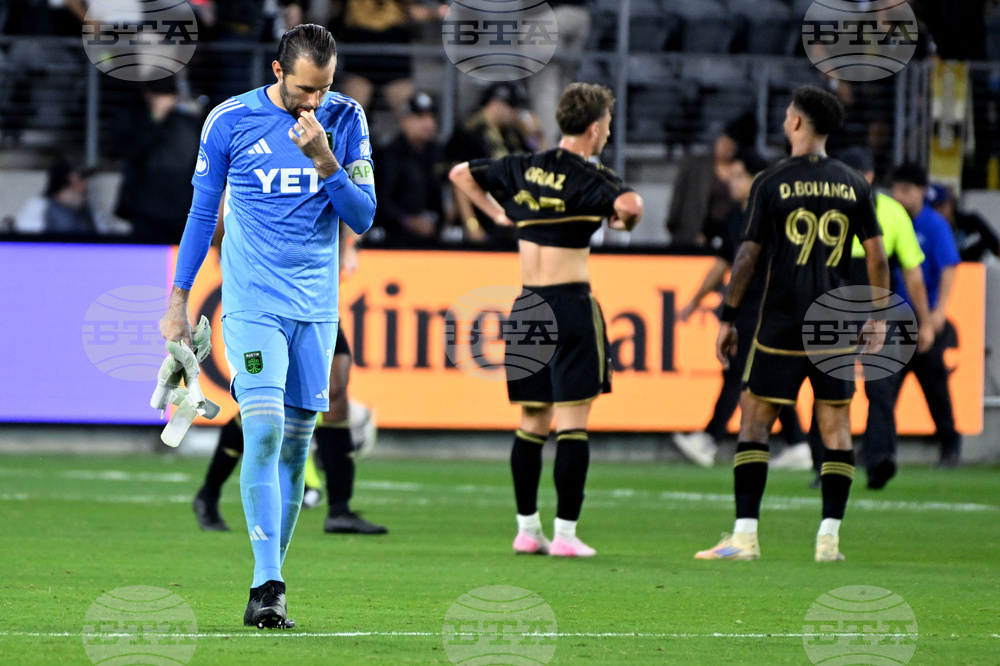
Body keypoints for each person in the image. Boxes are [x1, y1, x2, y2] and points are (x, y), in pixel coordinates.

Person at [159, 24, 375, 629]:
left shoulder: (346, 118)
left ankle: (266, 588)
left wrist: (325, 159)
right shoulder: (229, 121)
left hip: (316, 308)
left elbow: (361, 215)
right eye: (306, 89)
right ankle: (269, 583)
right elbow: (203, 213)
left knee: (298, 444)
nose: (315, 102)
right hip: (253, 306)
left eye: (324, 89)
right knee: (263, 431)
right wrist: (178, 301)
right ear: (279, 73)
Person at [694, 86, 889, 563]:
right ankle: (829, 540)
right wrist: (879, 315)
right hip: (835, 320)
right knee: (836, 426)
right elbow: (878, 256)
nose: (784, 122)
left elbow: (746, 257)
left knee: (754, 421)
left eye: (787, 115)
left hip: (781, 319)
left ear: (799, 123)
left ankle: (744, 537)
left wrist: (728, 315)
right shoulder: (855, 184)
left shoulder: (771, 182)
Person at [450, 82, 644, 558]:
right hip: (571, 304)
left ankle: (526, 529)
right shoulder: (588, 174)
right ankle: (565, 536)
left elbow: (459, 175)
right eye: (608, 128)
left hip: (527, 305)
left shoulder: (523, 166)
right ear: (596, 128)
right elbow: (630, 206)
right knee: (572, 423)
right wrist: (622, 223)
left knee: (531, 421)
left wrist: (499, 213)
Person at [193, 224, 387, 535]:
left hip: (315, 298)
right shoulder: (254, 179)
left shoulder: (329, 174)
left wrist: (350, 242)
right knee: (264, 404)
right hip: (267, 300)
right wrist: (226, 252)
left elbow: (353, 206)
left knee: (335, 393)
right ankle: (209, 493)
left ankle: (339, 510)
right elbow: (215, 213)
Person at [801, 148, 934, 488]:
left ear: (870, 176)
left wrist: (925, 319)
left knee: (879, 389)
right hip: (839, 303)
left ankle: (879, 461)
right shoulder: (827, 208)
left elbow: (914, 275)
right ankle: (828, 463)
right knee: (831, 389)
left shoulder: (888, 213)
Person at [674, 149, 807, 468]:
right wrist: (695, 302)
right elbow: (722, 266)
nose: (730, 182)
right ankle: (798, 443)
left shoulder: (775, 216)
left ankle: (709, 439)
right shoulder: (735, 217)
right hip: (746, 304)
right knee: (764, 376)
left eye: (736, 176)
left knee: (738, 373)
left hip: (762, 306)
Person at [861, 164, 963, 484]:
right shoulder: (889, 217)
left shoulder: (933, 225)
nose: (899, 195)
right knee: (883, 391)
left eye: (907, 189)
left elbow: (948, 268)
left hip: (923, 320)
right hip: (893, 320)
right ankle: (875, 451)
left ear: (922, 191)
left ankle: (949, 444)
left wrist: (937, 314)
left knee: (934, 387)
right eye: (896, 189)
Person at [115, 76, 202, 245]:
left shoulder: (189, 124)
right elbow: (130, 152)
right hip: (145, 208)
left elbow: (201, 161)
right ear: (148, 96)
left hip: (181, 207)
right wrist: (156, 118)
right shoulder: (133, 119)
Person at [446, 83, 532, 247]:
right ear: (496, 104)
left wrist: (537, 136)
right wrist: (471, 223)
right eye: (512, 107)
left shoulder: (512, 133)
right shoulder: (470, 131)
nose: (516, 112)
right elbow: (458, 179)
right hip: (484, 216)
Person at [666, 113, 756, 248]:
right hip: (692, 235)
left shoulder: (741, 169)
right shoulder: (696, 165)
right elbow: (678, 198)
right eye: (722, 142)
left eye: (730, 146)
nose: (724, 148)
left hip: (728, 235)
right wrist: (676, 226)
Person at [372, 91, 448, 245]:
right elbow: (380, 202)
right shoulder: (388, 154)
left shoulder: (436, 153)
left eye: (431, 117)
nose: (429, 124)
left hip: (432, 234)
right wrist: (409, 221)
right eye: (421, 117)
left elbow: (440, 198)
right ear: (405, 121)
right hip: (393, 236)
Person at [14, 158, 98, 235]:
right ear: (63, 183)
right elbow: (29, 244)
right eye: (80, 180)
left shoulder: (88, 211)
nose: (85, 186)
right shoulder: (39, 206)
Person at [927, 184, 1000, 262]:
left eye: (941, 205)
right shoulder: (926, 230)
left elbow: (996, 247)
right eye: (933, 208)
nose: (938, 211)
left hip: (971, 271)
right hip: (942, 272)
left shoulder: (971, 222)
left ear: (951, 203)